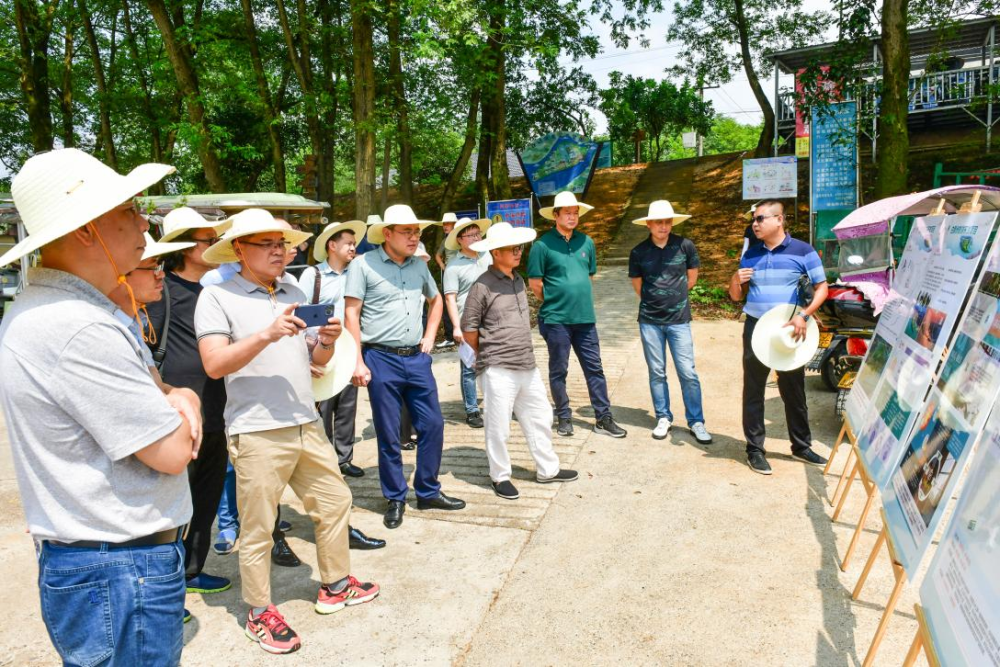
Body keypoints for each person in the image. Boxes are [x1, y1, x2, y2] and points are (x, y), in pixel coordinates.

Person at [0, 148, 199, 665]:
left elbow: (158, 389)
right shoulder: (77, 325)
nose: (143, 222)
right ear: (86, 229)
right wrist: (189, 399)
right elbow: (173, 450)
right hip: (119, 566)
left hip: (108, 563)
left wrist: (175, 396)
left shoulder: (67, 309)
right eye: (129, 210)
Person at [196, 208, 378, 654]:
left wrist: (328, 341)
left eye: (282, 243)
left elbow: (313, 361)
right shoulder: (216, 296)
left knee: (335, 502)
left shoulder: (294, 288)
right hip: (256, 428)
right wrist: (267, 333)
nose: (280, 251)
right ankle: (260, 612)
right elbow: (214, 364)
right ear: (239, 249)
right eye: (267, 244)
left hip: (306, 420)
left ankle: (335, 584)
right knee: (258, 527)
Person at [344, 204, 466, 530]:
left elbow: (436, 299)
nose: (414, 237)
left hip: (416, 357)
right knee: (388, 433)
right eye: (407, 232)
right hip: (380, 357)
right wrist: (356, 359)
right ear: (387, 234)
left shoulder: (418, 266)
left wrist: (429, 337)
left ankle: (427, 490)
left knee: (433, 425)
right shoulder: (363, 265)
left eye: (417, 232)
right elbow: (351, 314)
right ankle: (396, 497)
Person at [145, 208, 237, 604]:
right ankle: (163, 592)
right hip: (178, 414)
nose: (213, 246)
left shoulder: (215, 294)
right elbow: (145, 352)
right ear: (182, 248)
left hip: (218, 408)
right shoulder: (159, 290)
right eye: (205, 240)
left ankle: (190, 571)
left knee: (207, 494)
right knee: (170, 504)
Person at [462, 222, 578, 500]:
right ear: (495, 253)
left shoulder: (518, 280)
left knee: (540, 416)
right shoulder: (482, 286)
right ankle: (499, 475)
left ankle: (548, 469)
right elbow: (469, 330)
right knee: (498, 426)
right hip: (497, 366)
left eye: (518, 247)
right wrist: (489, 352)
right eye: (511, 249)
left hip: (526, 363)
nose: (518, 252)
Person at [728, 199, 830, 476]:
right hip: (755, 327)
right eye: (754, 219)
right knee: (754, 389)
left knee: (793, 389)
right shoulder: (751, 253)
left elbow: (822, 288)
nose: (755, 224)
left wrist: (804, 315)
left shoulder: (803, 251)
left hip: (788, 330)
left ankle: (801, 446)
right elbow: (736, 296)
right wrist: (735, 280)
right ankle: (755, 450)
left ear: (779, 220)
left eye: (760, 219)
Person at [528, 190, 627, 439]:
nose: (572, 217)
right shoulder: (541, 245)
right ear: (556, 215)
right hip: (556, 319)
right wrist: (556, 300)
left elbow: (589, 276)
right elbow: (535, 283)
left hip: (585, 319)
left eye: (575, 213)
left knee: (595, 368)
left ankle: (603, 417)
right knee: (559, 370)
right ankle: (563, 416)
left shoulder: (587, 242)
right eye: (567, 213)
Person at [627, 200, 712, 445]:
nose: (663, 226)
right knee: (657, 372)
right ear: (649, 224)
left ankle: (696, 421)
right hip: (650, 321)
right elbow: (638, 286)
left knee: (688, 372)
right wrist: (657, 301)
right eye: (658, 222)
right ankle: (663, 417)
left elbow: (691, 279)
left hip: (679, 320)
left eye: (667, 221)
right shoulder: (638, 252)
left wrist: (673, 299)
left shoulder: (685, 246)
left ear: (672, 223)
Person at [296, 219, 367, 476]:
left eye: (354, 243)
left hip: (348, 349)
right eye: (348, 243)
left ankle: (344, 458)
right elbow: (299, 315)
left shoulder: (357, 273)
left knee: (347, 407)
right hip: (320, 349)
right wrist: (305, 356)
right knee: (323, 406)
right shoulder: (311, 275)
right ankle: (325, 460)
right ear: (331, 245)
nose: (353, 248)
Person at [443, 217, 493, 428]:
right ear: (460, 240)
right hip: (467, 322)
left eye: (477, 234)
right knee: (469, 368)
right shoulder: (453, 266)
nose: (475, 238)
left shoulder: (488, 256)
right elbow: (450, 298)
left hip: (492, 319)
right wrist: (456, 327)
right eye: (470, 235)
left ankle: (496, 404)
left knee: (495, 364)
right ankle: (472, 410)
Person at [434, 212, 460, 349]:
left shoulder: (459, 238)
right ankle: (450, 336)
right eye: (444, 224)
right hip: (449, 274)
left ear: (454, 224)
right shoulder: (445, 241)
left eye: (448, 223)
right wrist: (443, 266)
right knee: (447, 302)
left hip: (461, 273)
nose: (445, 226)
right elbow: (437, 255)